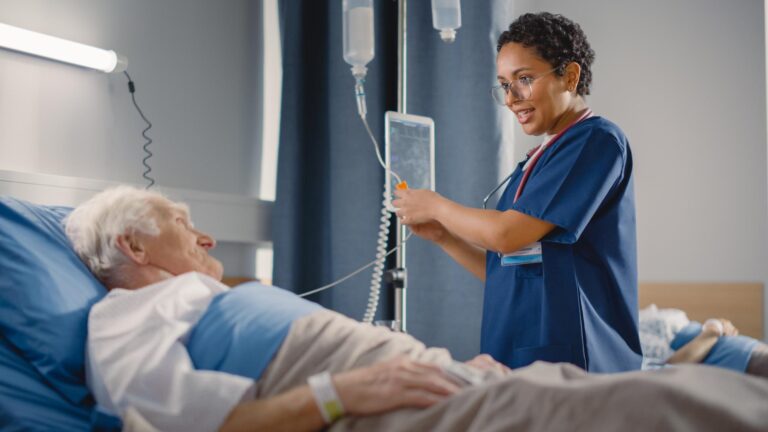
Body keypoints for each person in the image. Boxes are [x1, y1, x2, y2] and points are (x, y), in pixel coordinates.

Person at [64, 186, 768, 432]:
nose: (206, 236)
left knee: (626, 393)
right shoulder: (121, 318)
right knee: (648, 411)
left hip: (426, 377)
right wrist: (338, 394)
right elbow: (162, 426)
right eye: (181, 222)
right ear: (132, 243)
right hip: (372, 399)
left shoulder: (196, 297)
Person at [393, 12, 641, 372]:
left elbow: (505, 236)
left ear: (570, 76)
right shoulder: (537, 162)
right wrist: (444, 237)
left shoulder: (595, 141)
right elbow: (508, 270)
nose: (511, 98)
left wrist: (435, 204)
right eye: (505, 85)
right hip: (518, 354)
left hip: (574, 360)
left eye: (524, 79)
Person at [639, 304, 768, 377]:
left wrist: (715, 325)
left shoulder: (645, 316)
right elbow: (667, 368)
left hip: (700, 336)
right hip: (700, 349)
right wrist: (712, 331)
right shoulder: (629, 343)